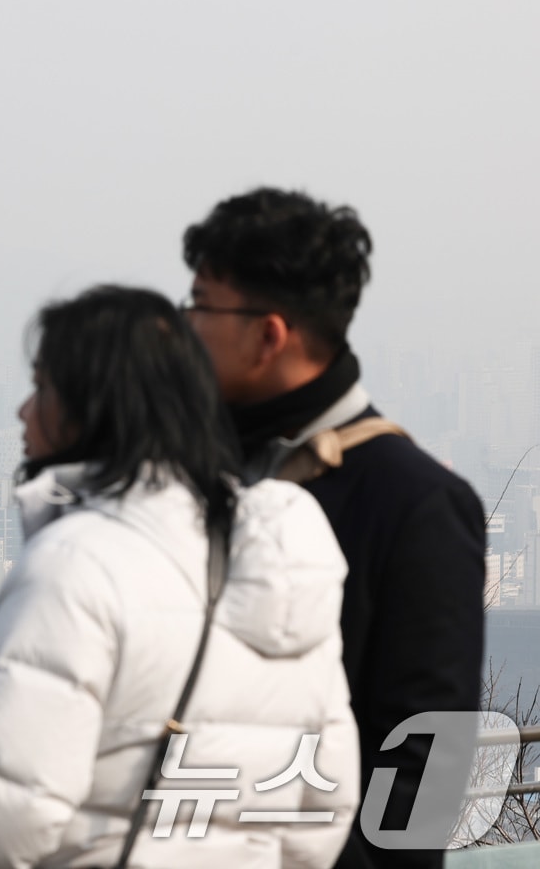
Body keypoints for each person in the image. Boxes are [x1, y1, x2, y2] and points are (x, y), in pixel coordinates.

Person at [0, 286, 359, 869]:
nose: (24, 410)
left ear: (92, 406)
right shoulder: (284, 549)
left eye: (43, 388)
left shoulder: (76, 563)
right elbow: (327, 800)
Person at [181, 187, 486, 868]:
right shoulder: (198, 472)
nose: (187, 329)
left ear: (269, 335)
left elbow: (425, 771)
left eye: (201, 305)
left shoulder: (414, 503)